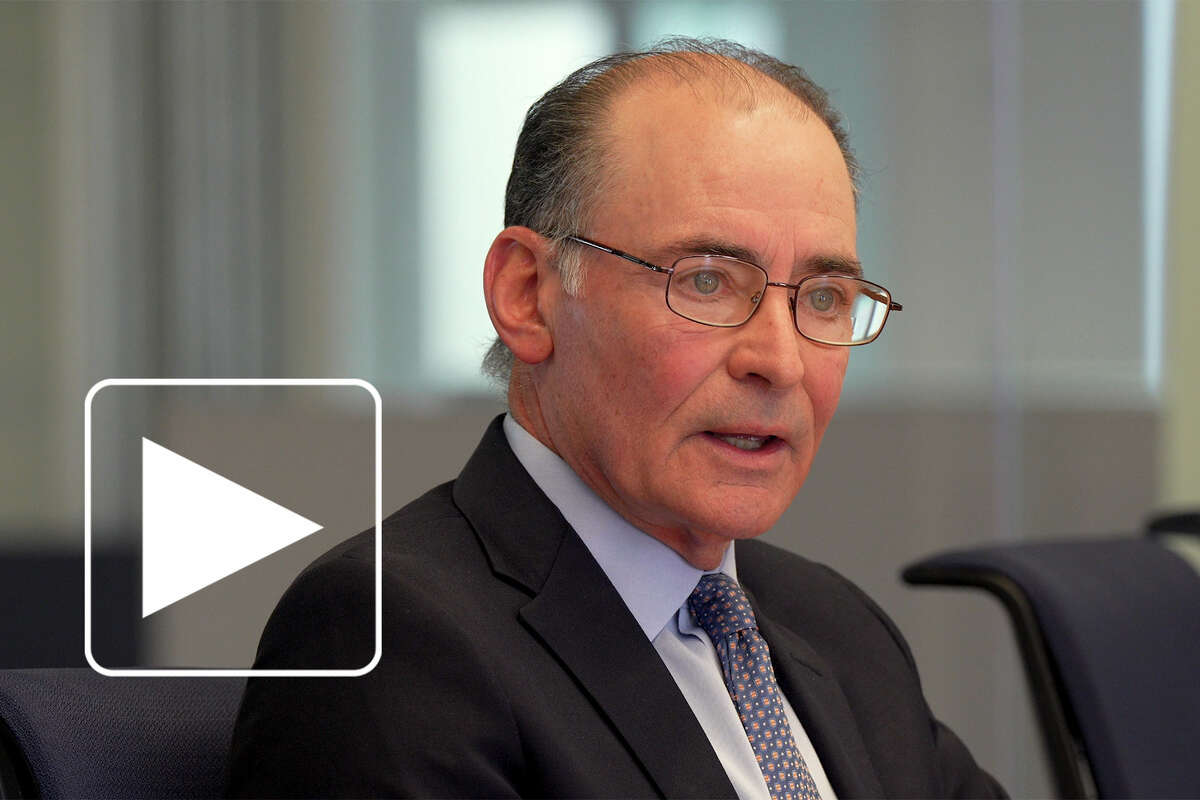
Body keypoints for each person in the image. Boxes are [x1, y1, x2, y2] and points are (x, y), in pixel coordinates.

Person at [227, 38, 1005, 799]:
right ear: (528, 295)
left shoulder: (837, 628)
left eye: (825, 298)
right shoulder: (388, 636)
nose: (782, 362)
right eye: (706, 281)